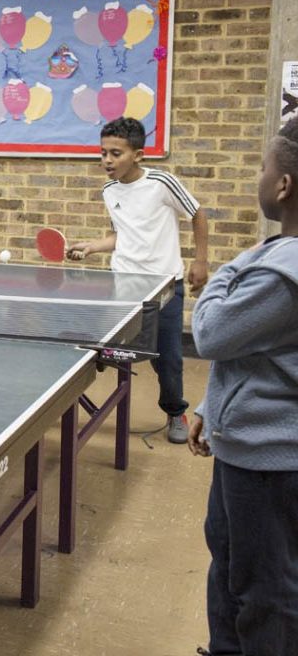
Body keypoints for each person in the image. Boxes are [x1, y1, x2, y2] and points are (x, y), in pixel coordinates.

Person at [187, 118, 298, 655]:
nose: (258, 176)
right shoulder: (277, 255)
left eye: (261, 167)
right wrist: (212, 404)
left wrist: (227, 268)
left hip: (271, 462)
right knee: (230, 565)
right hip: (246, 445)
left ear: (283, 186)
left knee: (266, 592)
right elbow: (256, 353)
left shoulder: (281, 273)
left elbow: (211, 333)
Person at [68, 116, 209, 444]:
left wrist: (201, 262)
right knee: (110, 347)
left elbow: (198, 214)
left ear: (138, 155)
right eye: (103, 153)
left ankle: (176, 412)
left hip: (164, 287)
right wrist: (91, 246)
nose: (107, 160)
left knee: (169, 357)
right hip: (123, 283)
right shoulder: (109, 190)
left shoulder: (161, 183)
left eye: (115, 153)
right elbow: (120, 236)